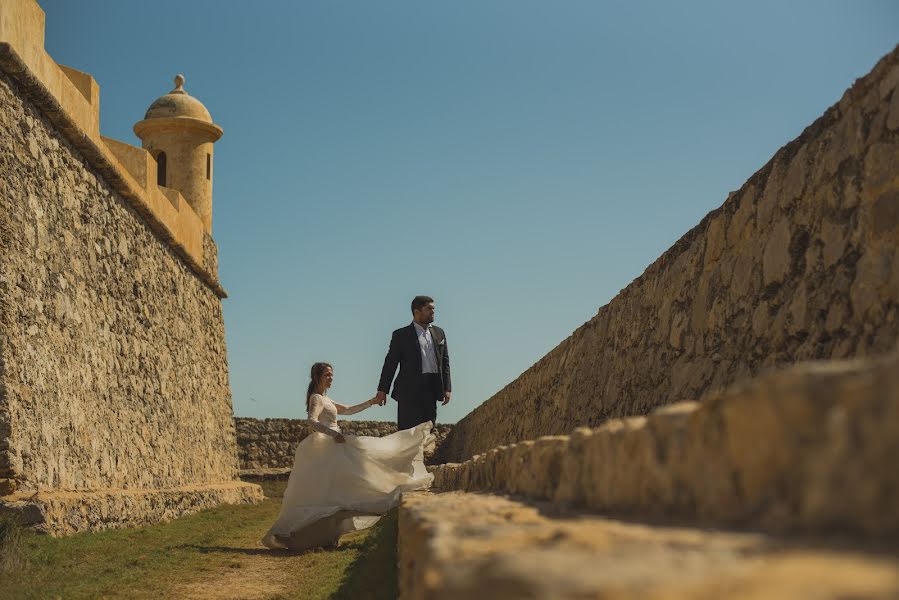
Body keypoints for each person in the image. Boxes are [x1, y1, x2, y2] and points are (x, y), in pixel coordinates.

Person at [261, 362, 433, 551]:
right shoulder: (316, 398)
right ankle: (305, 535)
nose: (331, 378)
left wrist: (371, 402)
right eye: (327, 375)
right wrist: (334, 434)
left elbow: (349, 410)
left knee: (339, 489)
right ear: (318, 377)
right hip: (327, 446)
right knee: (333, 491)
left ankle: (326, 535)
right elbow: (311, 420)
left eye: (332, 375)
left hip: (335, 444)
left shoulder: (326, 398)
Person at [375, 296, 452, 431]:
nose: (432, 311)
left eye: (433, 308)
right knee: (407, 433)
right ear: (417, 311)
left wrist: (447, 388)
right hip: (409, 391)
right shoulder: (401, 335)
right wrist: (382, 390)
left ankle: (424, 453)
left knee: (428, 430)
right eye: (428, 308)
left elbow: (445, 362)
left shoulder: (439, 333)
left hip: (432, 388)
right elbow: (390, 363)